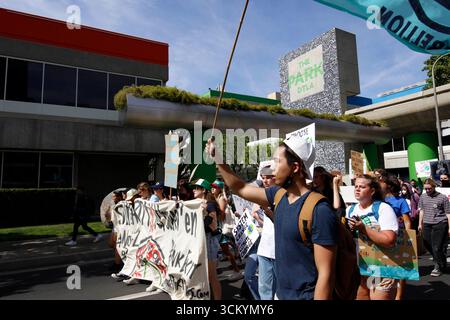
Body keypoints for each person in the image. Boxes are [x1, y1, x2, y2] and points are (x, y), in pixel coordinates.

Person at [207, 136, 338, 300]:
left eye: (277, 162)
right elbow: (240, 187)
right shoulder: (278, 194)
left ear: (295, 167)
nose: (271, 168)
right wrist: (218, 158)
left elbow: (326, 274)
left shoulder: (320, 210)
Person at [346, 175, 399, 300]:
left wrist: (363, 228)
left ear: (372, 191)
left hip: (381, 267)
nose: (357, 189)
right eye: (356, 186)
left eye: (362, 187)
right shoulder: (350, 210)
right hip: (359, 268)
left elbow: (389, 240)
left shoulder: (383, 208)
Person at [378, 173, 411, 300]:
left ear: (389, 185)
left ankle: (399, 296)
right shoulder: (379, 200)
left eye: (382, 181)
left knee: (400, 269)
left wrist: (407, 239)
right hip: (383, 236)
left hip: (398, 237)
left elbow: (407, 221)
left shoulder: (400, 201)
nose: (379, 183)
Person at [192, 178, 222, 300]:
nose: (193, 190)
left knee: (211, 275)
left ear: (203, 190)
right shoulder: (197, 203)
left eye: (196, 188)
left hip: (209, 240)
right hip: (201, 240)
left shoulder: (209, 204)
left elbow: (212, 222)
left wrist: (204, 211)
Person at [210, 179, 243, 281]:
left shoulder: (221, 199)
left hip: (222, 229)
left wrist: (213, 215)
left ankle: (237, 271)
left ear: (219, 189)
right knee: (221, 251)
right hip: (219, 228)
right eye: (212, 186)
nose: (212, 188)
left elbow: (222, 215)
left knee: (226, 252)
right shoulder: (216, 198)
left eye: (215, 187)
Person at [418, 178, 450, 277]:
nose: (427, 190)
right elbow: (421, 211)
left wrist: (449, 227)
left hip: (440, 223)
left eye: (429, 188)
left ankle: (438, 266)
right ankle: (441, 259)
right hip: (427, 223)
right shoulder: (423, 197)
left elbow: (448, 213)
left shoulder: (443, 197)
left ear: (434, 187)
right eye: (426, 189)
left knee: (437, 247)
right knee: (427, 244)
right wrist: (420, 223)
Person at [256, 165, 277, 300]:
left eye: (269, 178)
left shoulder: (284, 196)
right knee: (264, 289)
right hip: (264, 250)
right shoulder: (262, 196)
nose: (265, 181)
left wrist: (266, 209)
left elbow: (278, 220)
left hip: (280, 251)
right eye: (263, 178)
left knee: (280, 290)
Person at [106, 190, 124, 273]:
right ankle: (121, 258)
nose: (113, 198)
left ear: (119, 197)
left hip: (120, 228)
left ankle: (118, 264)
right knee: (111, 244)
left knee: (117, 246)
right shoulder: (113, 205)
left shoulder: (123, 205)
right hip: (115, 227)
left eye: (114, 196)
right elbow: (109, 217)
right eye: (112, 196)